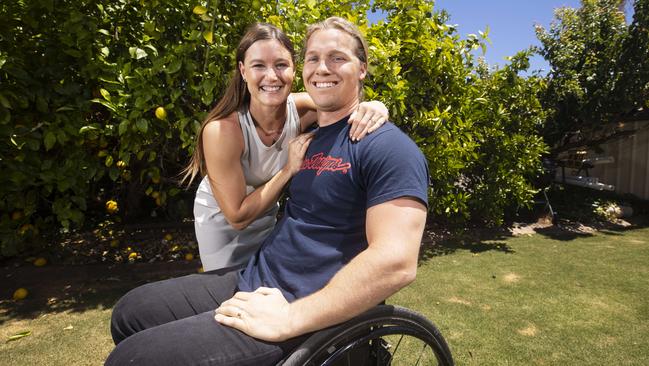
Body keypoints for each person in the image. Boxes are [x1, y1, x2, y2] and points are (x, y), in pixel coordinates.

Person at [106, 17, 429, 366]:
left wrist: (291, 318)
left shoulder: (389, 148)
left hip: (297, 307)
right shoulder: (312, 135)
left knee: (130, 360)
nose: (323, 68)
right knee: (130, 312)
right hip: (254, 276)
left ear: (362, 69)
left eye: (337, 58)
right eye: (313, 58)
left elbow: (396, 263)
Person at [182, 23, 389, 272]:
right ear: (243, 71)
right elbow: (237, 216)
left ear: (293, 69)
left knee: (262, 284)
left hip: (267, 215)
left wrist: (378, 106)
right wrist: (289, 169)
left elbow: (342, 101)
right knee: (225, 295)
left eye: (281, 65)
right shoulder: (222, 131)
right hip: (223, 224)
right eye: (259, 65)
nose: (272, 76)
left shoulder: (302, 107)